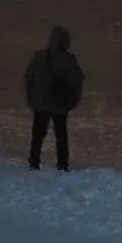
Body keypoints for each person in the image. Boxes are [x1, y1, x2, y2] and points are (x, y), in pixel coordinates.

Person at [24, 25, 85, 170]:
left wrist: (30, 98)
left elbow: (28, 78)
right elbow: (77, 81)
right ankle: (62, 165)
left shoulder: (39, 57)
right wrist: (73, 101)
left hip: (40, 102)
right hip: (59, 103)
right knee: (61, 136)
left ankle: (34, 162)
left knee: (38, 135)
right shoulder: (69, 59)